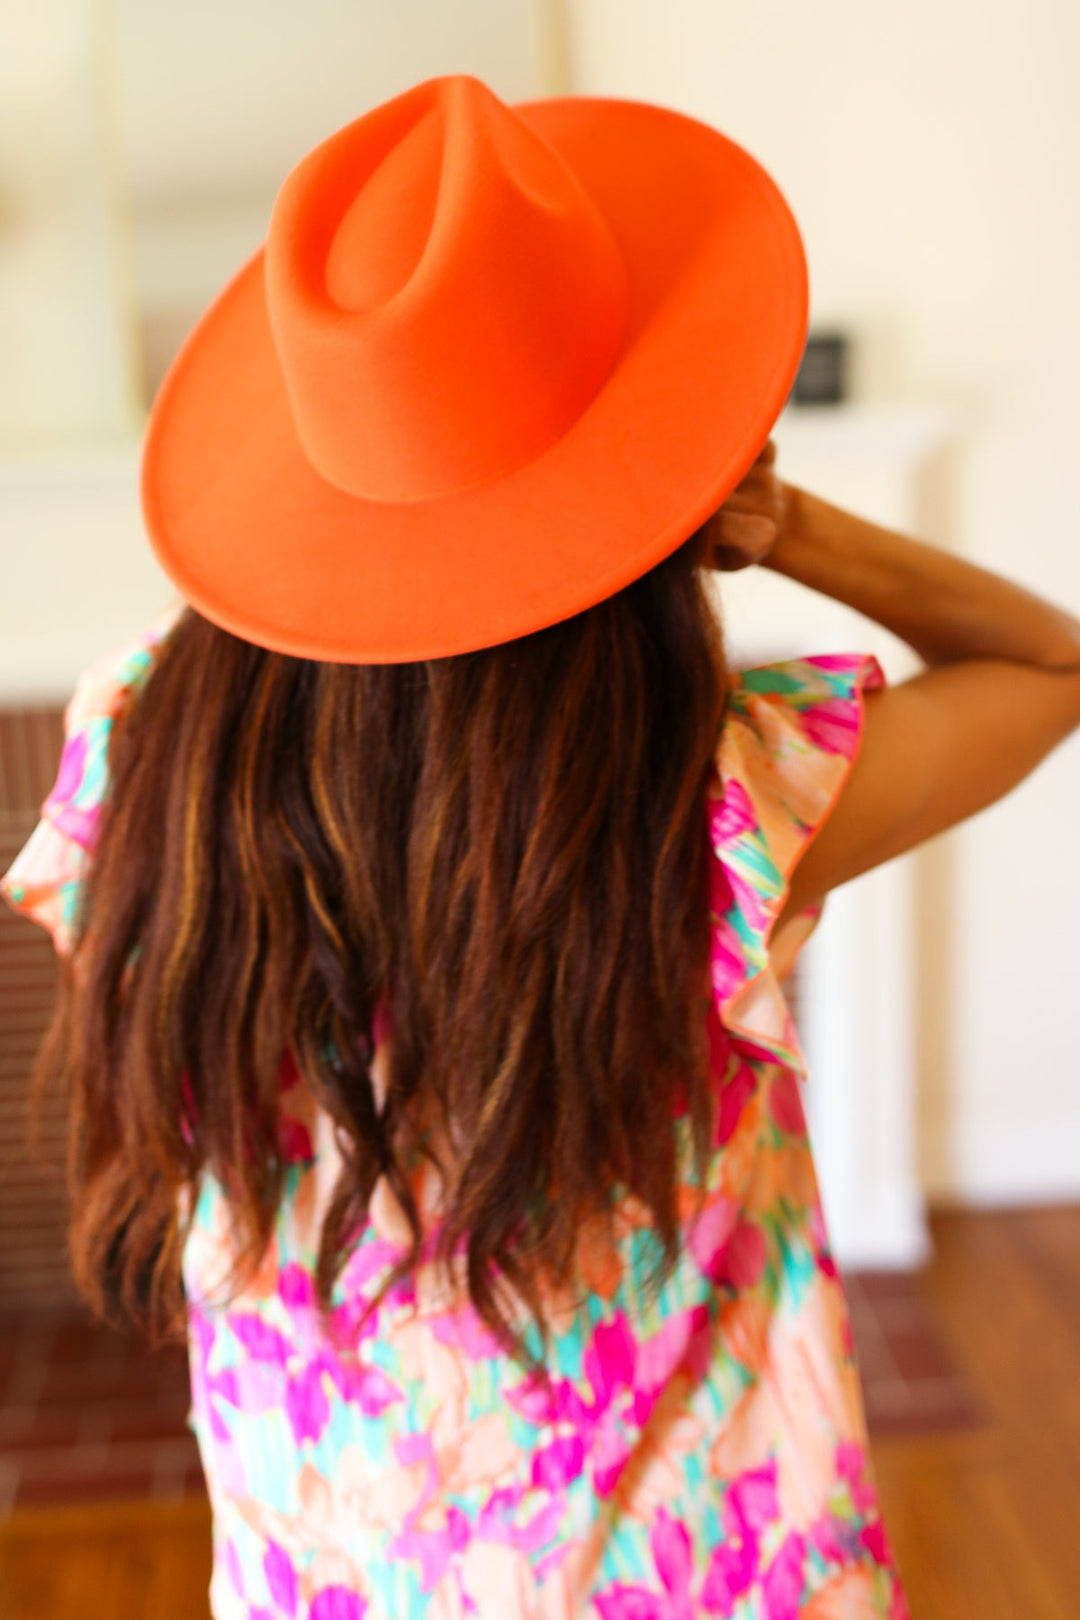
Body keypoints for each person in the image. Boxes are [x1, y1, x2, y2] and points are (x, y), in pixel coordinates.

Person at [4, 71, 1080, 1620]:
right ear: (641, 476)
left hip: (331, 1571)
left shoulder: (140, 753)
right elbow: (1045, 666)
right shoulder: (716, 802)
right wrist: (788, 524)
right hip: (697, 1569)